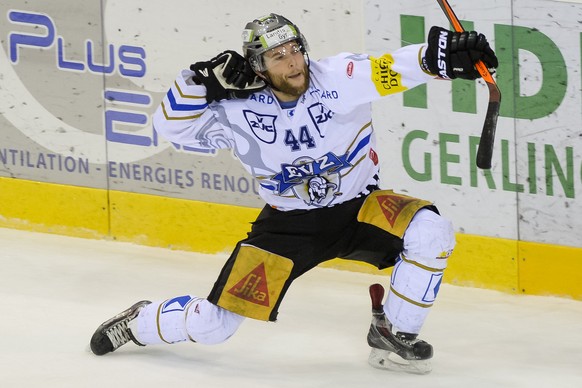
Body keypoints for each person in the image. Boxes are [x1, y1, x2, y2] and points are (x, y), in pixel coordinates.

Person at [89, 13, 497, 374]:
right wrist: (200, 82)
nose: (292, 62)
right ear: (258, 67)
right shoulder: (236, 110)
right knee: (213, 327)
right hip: (288, 228)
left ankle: (393, 331)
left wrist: (441, 58)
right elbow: (169, 128)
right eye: (277, 56)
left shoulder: (339, 77)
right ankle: (139, 321)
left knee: (432, 231)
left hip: (361, 208)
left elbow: (390, 68)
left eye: (294, 49)